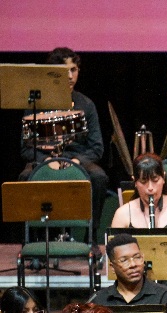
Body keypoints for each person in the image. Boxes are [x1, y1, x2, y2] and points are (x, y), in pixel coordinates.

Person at [19, 47, 108, 224]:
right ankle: (30, 238)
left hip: (76, 158)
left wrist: (76, 161)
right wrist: (45, 160)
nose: (69, 76)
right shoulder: (36, 104)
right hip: (44, 158)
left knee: (99, 177)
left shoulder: (86, 104)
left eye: (73, 70)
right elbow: (25, 148)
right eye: (64, 71)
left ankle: (90, 236)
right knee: (25, 177)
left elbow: (97, 147)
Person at [110, 153, 167, 257]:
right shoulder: (122, 213)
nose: (150, 187)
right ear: (135, 182)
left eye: (155, 180)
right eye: (143, 181)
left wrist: (164, 244)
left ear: (163, 177)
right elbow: (114, 254)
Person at [90, 233, 167, 307]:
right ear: (112, 267)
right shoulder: (100, 300)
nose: (133, 264)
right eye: (124, 260)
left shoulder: (164, 296)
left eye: (137, 257)